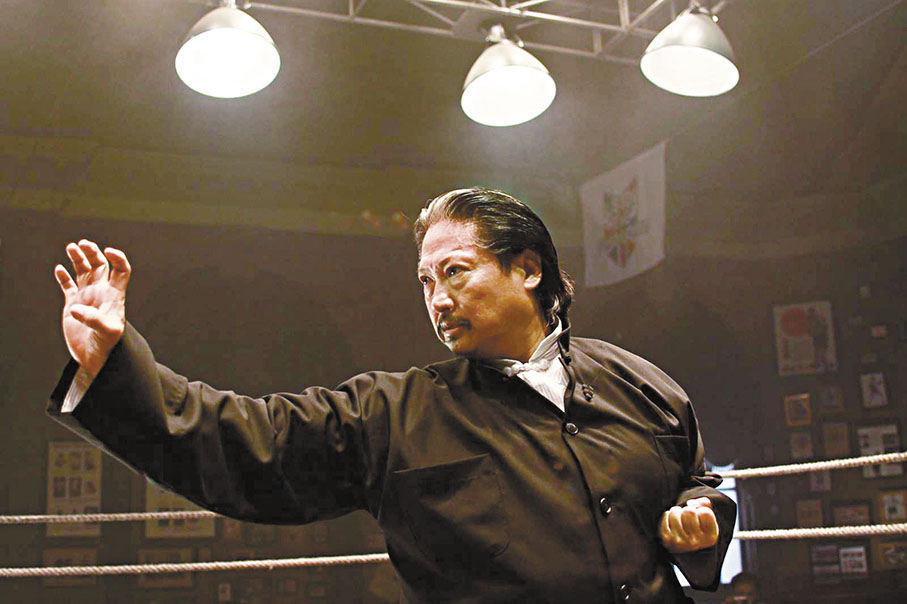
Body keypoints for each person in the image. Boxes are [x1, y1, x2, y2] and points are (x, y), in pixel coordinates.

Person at [48, 188, 736, 603]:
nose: (436, 299)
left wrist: (698, 518)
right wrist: (110, 362)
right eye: (425, 282)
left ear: (527, 270)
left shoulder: (642, 385)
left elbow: (696, 483)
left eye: (454, 272)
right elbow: (249, 440)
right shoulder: (394, 414)